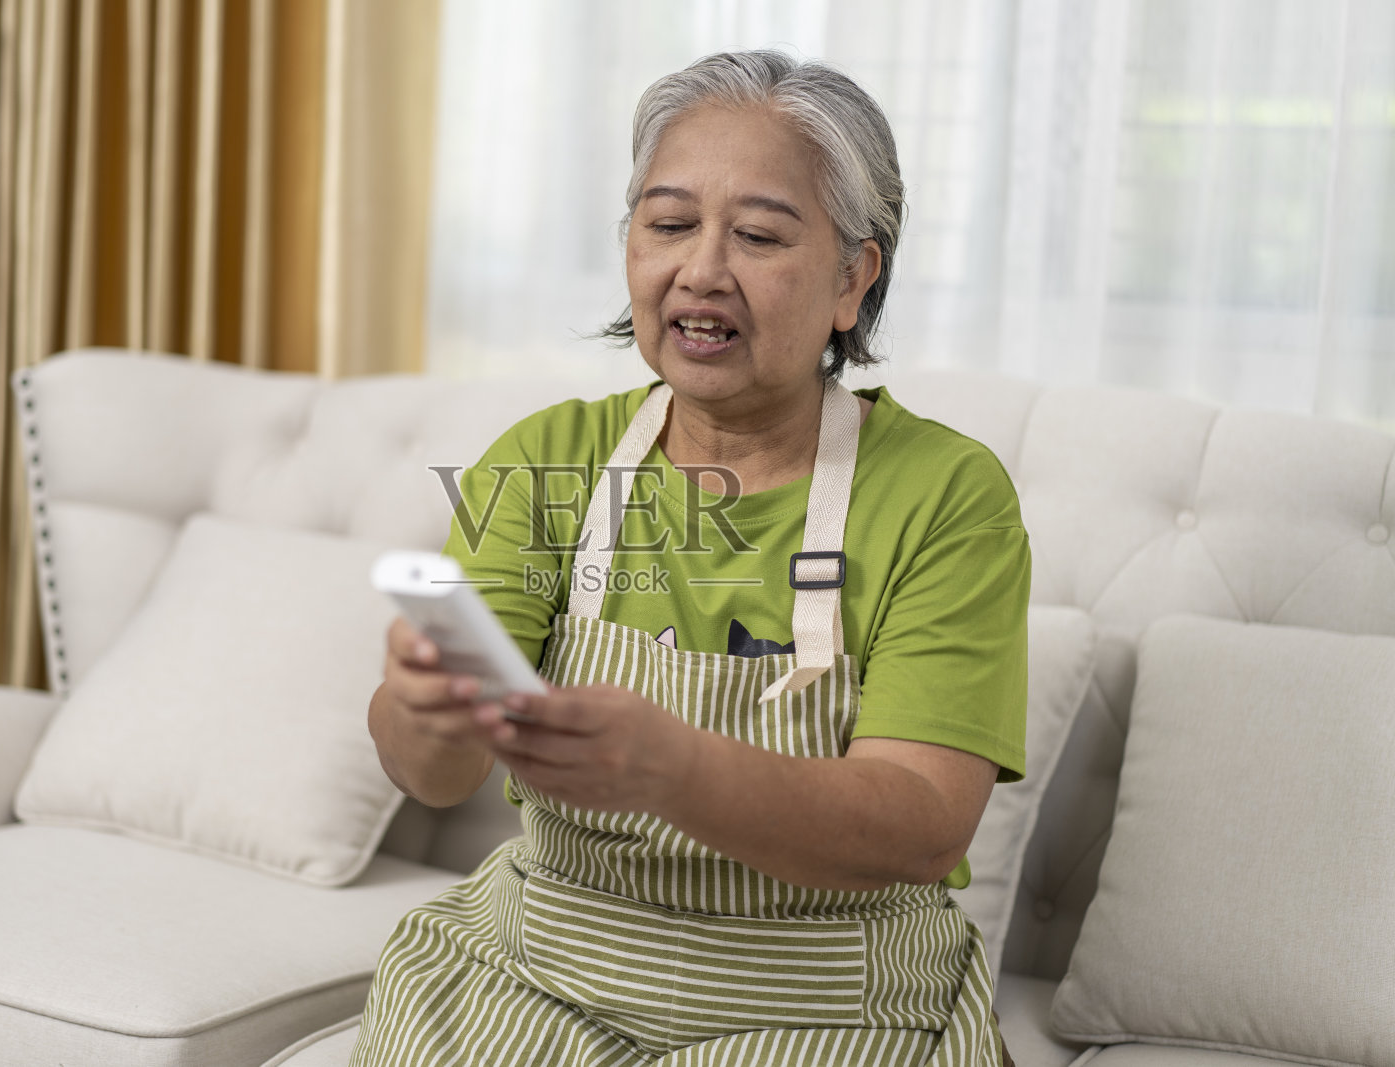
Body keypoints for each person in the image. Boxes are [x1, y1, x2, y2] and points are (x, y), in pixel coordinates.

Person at [352, 49, 1029, 1067]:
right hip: (542, 972)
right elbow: (436, 776)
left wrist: (677, 768)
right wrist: (422, 710)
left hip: (827, 1002)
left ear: (853, 278)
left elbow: (924, 821)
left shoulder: (945, 495)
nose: (701, 270)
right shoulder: (546, 461)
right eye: (668, 224)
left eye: (757, 235)